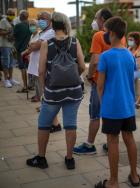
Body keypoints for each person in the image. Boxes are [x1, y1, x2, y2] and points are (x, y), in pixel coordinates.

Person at [26, 12, 85, 170]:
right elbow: (83, 66)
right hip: (74, 92)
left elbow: (41, 71)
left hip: (53, 92)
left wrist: (44, 90)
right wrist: (73, 77)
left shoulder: (47, 43)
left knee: (44, 124)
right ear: (66, 24)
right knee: (71, 125)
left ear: (52, 24)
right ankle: (69, 159)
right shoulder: (74, 41)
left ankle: (41, 159)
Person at [73, 8, 126, 155]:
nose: (94, 21)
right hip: (115, 82)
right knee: (113, 114)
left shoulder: (98, 35)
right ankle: (111, 143)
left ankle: (89, 144)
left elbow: (95, 61)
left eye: (96, 17)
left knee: (95, 114)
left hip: (100, 82)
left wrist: (89, 76)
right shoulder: (122, 37)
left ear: (102, 19)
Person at [95, 16, 140, 188]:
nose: (104, 34)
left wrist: (103, 104)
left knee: (112, 141)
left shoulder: (106, 56)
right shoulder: (130, 55)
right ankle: (134, 176)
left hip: (112, 107)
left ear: (112, 33)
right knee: (129, 138)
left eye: (105, 32)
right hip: (128, 105)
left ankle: (113, 182)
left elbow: (100, 86)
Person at [29, 11, 62, 133]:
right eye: (38, 18)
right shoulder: (42, 32)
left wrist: (32, 45)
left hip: (47, 70)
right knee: (47, 98)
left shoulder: (51, 32)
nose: (39, 20)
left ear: (50, 20)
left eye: (42, 18)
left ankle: (55, 124)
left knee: (49, 98)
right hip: (41, 69)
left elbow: (34, 46)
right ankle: (54, 123)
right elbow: (32, 45)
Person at [22, 19, 41, 102]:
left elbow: (33, 46)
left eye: (34, 25)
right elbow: (30, 46)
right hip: (32, 59)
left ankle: (39, 96)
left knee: (38, 78)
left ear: (37, 26)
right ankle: (37, 94)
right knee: (34, 77)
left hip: (38, 59)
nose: (32, 27)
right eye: (30, 25)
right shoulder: (31, 36)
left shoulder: (40, 35)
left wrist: (25, 52)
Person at [0, 9, 19, 88]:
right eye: (10, 14)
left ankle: (11, 79)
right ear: (7, 14)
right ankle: (6, 80)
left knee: (11, 62)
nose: (12, 15)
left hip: (11, 45)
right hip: (5, 45)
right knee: (6, 62)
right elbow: (0, 32)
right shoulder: (3, 21)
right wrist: (8, 32)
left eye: (13, 14)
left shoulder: (13, 21)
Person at [14, 10, 32, 93]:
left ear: (20, 17)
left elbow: (13, 36)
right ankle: (31, 85)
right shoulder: (31, 26)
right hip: (30, 49)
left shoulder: (17, 26)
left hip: (21, 50)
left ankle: (25, 86)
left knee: (23, 68)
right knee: (30, 68)